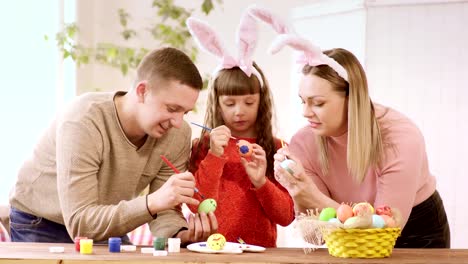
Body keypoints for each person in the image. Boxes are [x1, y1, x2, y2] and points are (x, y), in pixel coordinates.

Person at [9, 47, 218, 245]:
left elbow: (163, 211)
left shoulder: (177, 134)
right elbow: (80, 224)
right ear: (142, 91)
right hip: (42, 221)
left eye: (185, 112)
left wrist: (181, 234)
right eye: (172, 108)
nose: (178, 122)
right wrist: (152, 202)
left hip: (101, 222)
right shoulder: (83, 121)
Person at [265, 31, 450, 247]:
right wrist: (297, 190)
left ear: (352, 98)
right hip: (347, 238)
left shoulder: (400, 139)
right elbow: (316, 237)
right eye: (302, 101)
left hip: (415, 233)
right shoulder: (303, 144)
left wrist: (310, 194)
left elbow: (382, 231)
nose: (306, 112)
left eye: (318, 103)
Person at [185, 13, 294, 247]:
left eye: (248, 102)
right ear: (217, 103)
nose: (239, 112)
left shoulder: (277, 148)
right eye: (230, 103)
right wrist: (215, 155)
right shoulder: (203, 146)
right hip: (211, 253)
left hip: (261, 256)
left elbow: (286, 217)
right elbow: (197, 203)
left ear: (261, 101)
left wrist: (261, 183)